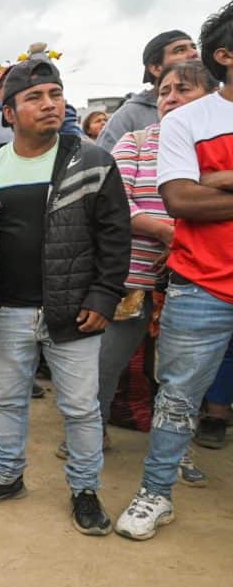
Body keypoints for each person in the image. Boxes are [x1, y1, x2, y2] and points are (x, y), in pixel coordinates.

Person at [0, 55, 130, 535]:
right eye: (34, 98)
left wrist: (104, 296)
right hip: (5, 312)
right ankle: (7, 476)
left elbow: (114, 237)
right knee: (8, 400)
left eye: (55, 94)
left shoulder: (90, 161)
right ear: (9, 113)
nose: (49, 105)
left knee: (82, 407)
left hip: (73, 312)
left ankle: (85, 489)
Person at [55, 61, 220, 484]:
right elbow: (114, 205)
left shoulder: (214, 145)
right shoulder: (138, 141)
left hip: (195, 281)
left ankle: (175, 453)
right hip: (131, 280)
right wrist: (169, 229)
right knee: (106, 363)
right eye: (164, 91)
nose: (170, 98)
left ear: (212, 100)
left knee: (181, 376)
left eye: (183, 90)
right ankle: (89, 437)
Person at [116, 1, 233, 541]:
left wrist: (221, 182)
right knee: (179, 396)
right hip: (202, 285)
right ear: (225, 56)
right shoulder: (186, 121)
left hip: (197, 280)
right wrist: (203, 189)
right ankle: (155, 494)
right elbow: (181, 201)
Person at [96, 30, 199, 150]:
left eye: (193, 47)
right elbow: (103, 165)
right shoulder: (128, 117)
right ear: (156, 68)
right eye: (180, 50)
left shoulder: (215, 104)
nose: (194, 54)